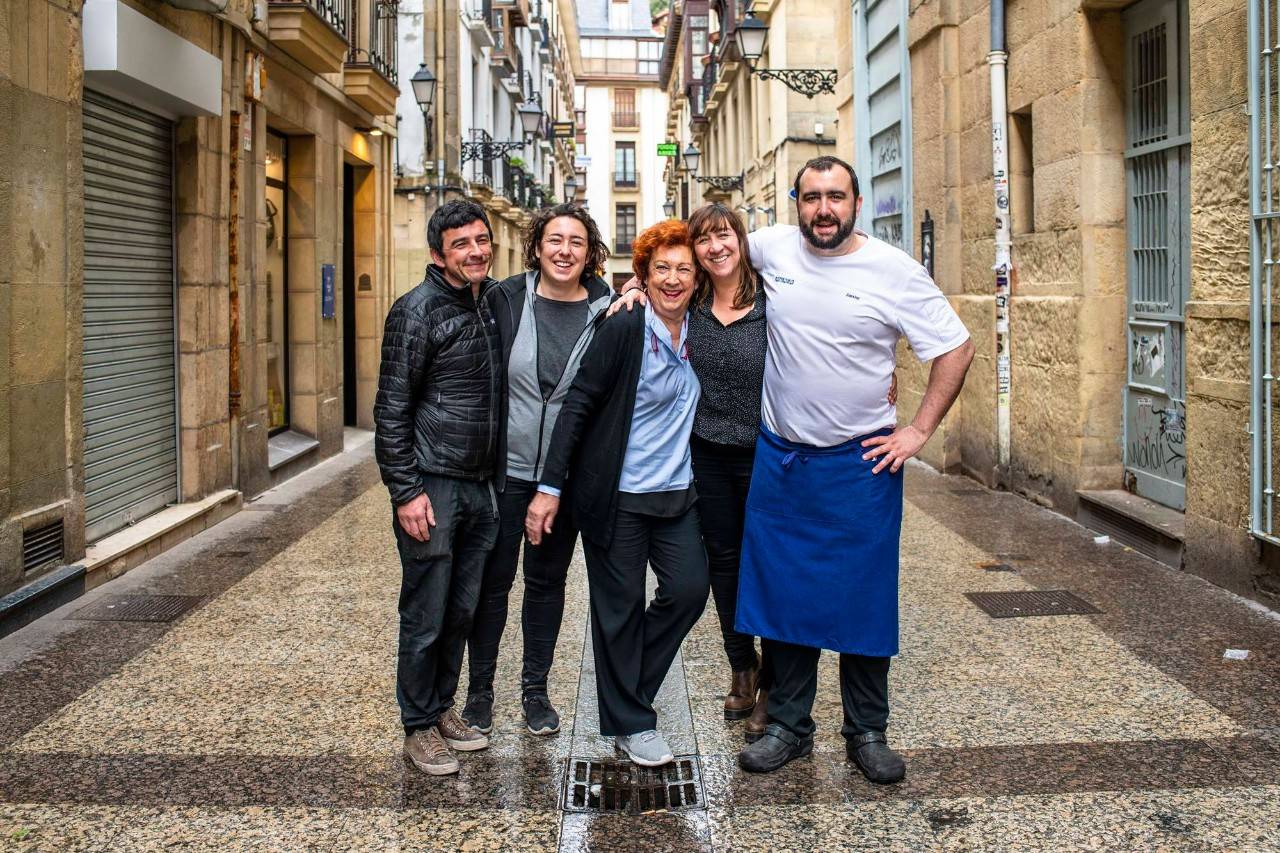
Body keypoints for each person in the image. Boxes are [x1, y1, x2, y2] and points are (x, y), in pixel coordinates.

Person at [609, 205, 898, 742]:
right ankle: (740, 666)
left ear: (742, 241)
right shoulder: (688, 299)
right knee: (723, 567)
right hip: (704, 456)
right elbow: (652, 289)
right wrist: (631, 288)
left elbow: (828, 335)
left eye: (724, 236)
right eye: (703, 240)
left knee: (768, 568)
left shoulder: (773, 298)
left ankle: (771, 687)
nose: (714, 248)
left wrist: (880, 373)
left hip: (768, 452)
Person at [734, 156, 975, 780]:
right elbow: (701, 247)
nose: (823, 209)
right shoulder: (771, 248)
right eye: (811, 197)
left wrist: (918, 429)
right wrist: (631, 286)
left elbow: (956, 346)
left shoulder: (894, 270)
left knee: (864, 601)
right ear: (796, 203)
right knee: (785, 601)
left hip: (859, 466)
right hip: (783, 459)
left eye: (835, 197)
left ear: (856, 204)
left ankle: (867, 731)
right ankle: (789, 725)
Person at [525, 220, 710, 767]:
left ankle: (624, 692)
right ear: (644, 275)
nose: (673, 280)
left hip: (677, 492)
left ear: (697, 280)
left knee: (688, 591)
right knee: (620, 610)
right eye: (662, 269)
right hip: (619, 494)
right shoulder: (625, 326)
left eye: (684, 269)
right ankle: (631, 721)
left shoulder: (701, 328)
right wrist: (550, 487)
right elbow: (578, 404)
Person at [460, 204, 613, 738]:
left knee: (546, 584)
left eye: (576, 241)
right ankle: (479, 691)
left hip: (564, 478)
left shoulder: (609, 309)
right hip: (505, 474)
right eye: (555, 240)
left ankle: (535, 691)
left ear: (590, 251)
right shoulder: (505, 299)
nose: (565, 250)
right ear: (538, 247)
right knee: (492, 583)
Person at [374, 199, 501, 777]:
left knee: (462, 609)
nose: (475, 251)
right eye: (461, 244)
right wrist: (406, 491)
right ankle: (417, 726)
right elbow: (391, 410)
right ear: (437, 254)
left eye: (481, 240)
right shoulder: (414, 312)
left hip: (480, 487)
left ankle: (442, 707)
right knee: (425, 611)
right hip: (434, 485)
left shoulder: (489, 303)